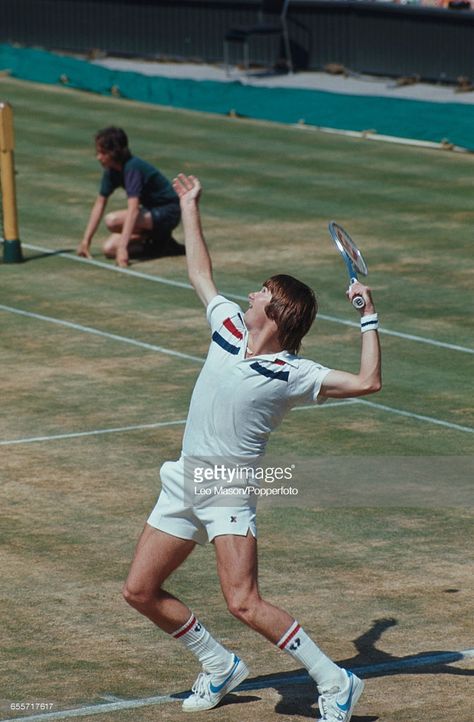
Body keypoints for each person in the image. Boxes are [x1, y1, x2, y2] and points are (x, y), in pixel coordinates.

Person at [122, 174, 382, 721]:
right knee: (140, 590)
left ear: (279, 311)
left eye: (262, 290)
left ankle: (335, 681)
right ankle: (218, 665)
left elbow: (366, 383)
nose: (251, 293)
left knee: (242, 601)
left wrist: (367, 316)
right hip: (184, 478)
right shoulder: (228, 330)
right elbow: (199, 272)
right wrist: (190, 206)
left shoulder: (291, 373)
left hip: (226, 489)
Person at [77, 127, 183, 267]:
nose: (99, 157)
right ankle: (160, 244)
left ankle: (161, 237)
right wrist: (86, 240)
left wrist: (123, 248)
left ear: (114, 152)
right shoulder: (111, 171)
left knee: (112, 220)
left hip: (169, 212)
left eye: (103, 153)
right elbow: (100, 203)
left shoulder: (132, 167)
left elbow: (133, 209)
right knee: (109, 249)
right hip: (149, 214)